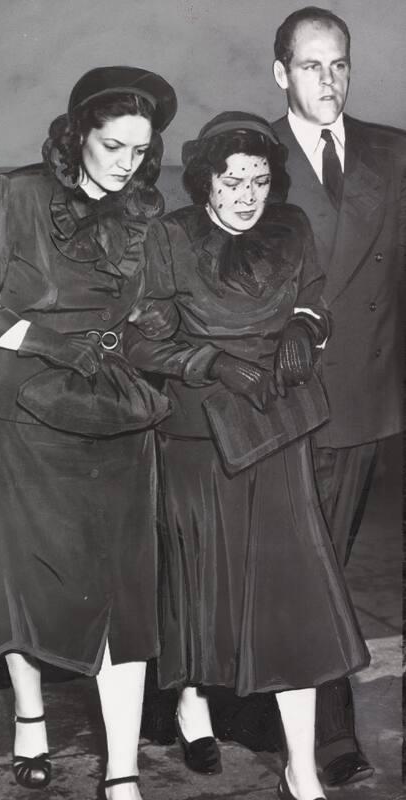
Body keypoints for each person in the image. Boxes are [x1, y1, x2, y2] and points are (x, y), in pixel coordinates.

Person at [0, 65, 176, 800]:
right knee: (25, 583)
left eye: (140, 151)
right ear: (77, 136)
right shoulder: (19, 195)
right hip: (25, 415)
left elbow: (152, 308)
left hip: (116, 410)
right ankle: (31, 721)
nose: (126, 164)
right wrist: (43, 339)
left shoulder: (147, 208)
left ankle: (123, 772)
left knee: (124, 591)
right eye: (112, 146)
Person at [125, 111, 370, 800]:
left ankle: (299, 767)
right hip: (198, 439)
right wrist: (209, 361)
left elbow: (319, 302)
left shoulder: (292, 229)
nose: (245, 193)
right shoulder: (168, 236)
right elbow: (143, 341)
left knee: (290, 603)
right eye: (232, 180)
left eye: (258, 179)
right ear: (205, 179)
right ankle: (191, 702)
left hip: (278, 433)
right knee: (203, 594)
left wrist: (302, 325)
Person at [270, 6, 406, 786]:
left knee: (327, 562)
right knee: (302, 566)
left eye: (340, 64)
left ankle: (310, 731)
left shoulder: (392, 153)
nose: (330, 80)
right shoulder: (247, 156)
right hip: (277, 399)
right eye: (313, 65)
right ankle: (323, 739)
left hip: (359, 400)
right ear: (280, 72)